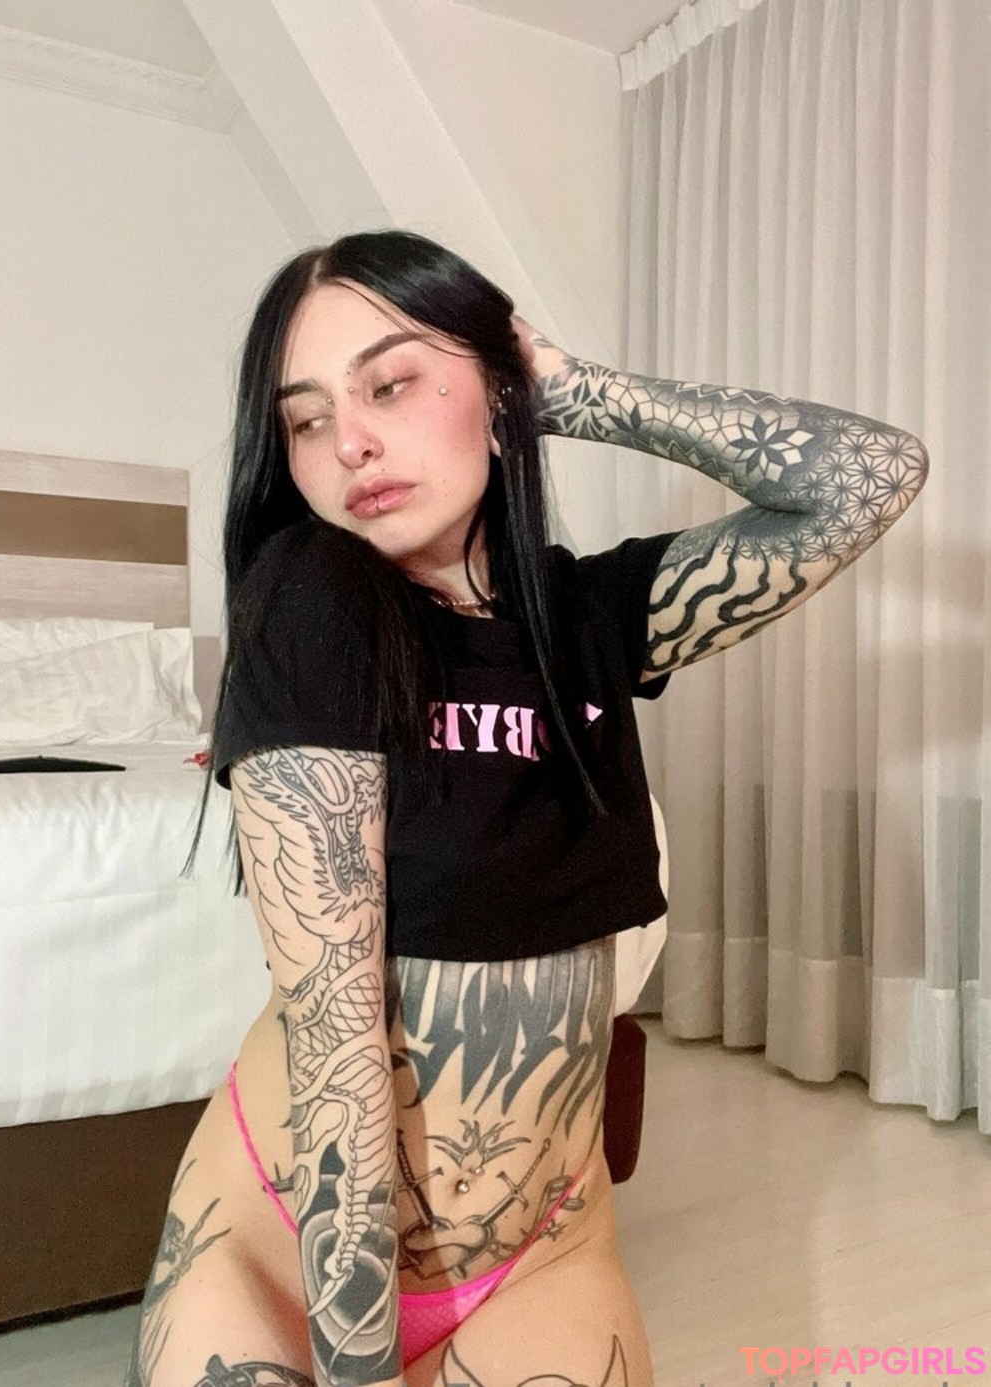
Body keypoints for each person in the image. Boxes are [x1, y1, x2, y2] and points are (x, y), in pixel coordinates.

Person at [124, 230, 928, 1387]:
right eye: (305, 420)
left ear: (496, 392)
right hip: (288, 1249)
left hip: (542, 1250)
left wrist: (573, 391)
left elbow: (870, 476)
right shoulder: (310, 599)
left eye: (391, 384)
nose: (348, 442)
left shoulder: (588, 617)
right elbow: (336, 1040)